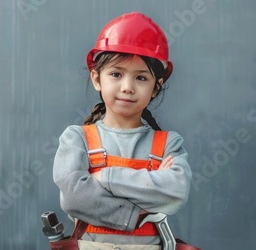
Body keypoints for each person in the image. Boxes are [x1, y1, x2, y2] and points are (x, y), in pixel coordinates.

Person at [52, 12, 192, 249]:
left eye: (140, 77)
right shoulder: (77, 139)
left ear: (156, 87)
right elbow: (74, 197)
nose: (127, 87)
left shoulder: (169, 144)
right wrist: (137, 213)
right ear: (97, 78)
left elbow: (175, 191)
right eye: (116, 74)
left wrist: (104, 177)